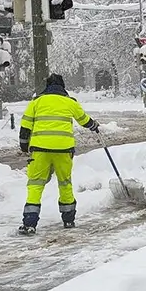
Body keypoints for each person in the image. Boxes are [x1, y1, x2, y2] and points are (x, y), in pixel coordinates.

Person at [17, 74, 99, 235]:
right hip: (64, 150)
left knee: (35, 185)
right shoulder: (70, 102)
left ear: (47, 87)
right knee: (65, 183)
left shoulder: (36, 102)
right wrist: (94, 125)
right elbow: (84, 120)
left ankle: (29, 223)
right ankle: (68, 220)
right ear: (63, 87)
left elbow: (25, 126)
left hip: (40, 150)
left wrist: (24, 146)